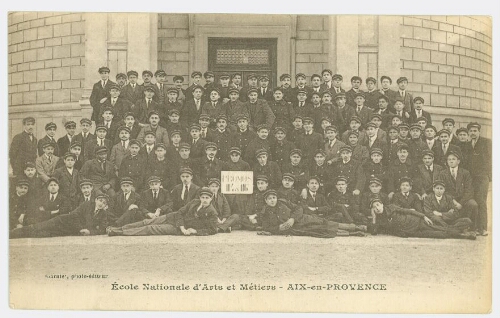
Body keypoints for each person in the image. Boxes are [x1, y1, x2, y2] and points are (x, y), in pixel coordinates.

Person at [106, 187, 218, 236]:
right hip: (173, 218)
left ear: (211, 199)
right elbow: (180, 212)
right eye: (202, 197)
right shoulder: (194, 202)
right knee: (147, 222)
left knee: (151, 228)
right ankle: (119, 228)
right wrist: (183, 226)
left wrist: (195, 231)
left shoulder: (212, 212)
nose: (204, 200)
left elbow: (212, 230)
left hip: (176, 228)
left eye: (207, 198)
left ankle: (119, 232)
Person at [260, 190, 367, 238]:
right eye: (269, 199)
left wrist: (292, 219)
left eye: (274, 198)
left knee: (326, 222)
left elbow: (298, 208)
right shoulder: (265, 213)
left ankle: (356, 227)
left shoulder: (283, 202)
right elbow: (267, 227)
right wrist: (278, 228)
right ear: (266, 201)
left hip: (303, 219)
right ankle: (354, 233)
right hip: (296, 229)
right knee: (322, 231)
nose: (272, 200)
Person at [11, 193, 110, 239]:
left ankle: (18, 234)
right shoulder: (87, 204)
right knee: (39, 227)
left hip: (68, 231)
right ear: (96, 200)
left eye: (104, 203)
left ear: (106, 205)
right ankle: (12, 233)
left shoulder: (103, 214)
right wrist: (81, 228)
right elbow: (75, 215)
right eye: (100, 200)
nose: (101, 203)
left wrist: (90, 232)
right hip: (63, 221)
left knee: (42, 234)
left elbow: (102, 229)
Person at [370, 198, 475, 240]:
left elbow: (408, 211)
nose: (377, 208)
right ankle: (461, 232)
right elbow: (374, 232)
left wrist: (423, 216)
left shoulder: (391, 207)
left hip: (417, 221)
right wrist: (374, 218)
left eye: (378, 205)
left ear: (382, 204)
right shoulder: (379, 220)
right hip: (413, 232)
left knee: (440, 228)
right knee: (439, 234)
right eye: (374, 207)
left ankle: (464, 235)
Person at [438, 151, 479, 233]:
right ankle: (458, 227)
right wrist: (452, 201)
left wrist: (461, 203)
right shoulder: (442, 173)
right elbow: (442, 189)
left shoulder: (465, 173)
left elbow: (469, 190)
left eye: (453, 159)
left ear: (458, 161)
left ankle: (472, 228)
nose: (451, 161)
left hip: (463, 199)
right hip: (449, 200)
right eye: (449, 159)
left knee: (473, 204)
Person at [466, 122, 491, 236]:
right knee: (473, 201)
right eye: (471, 131)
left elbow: (490, 160)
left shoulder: (486, 142)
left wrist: (488, 177)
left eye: (475, 131)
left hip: (482, 177)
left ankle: (483, 228)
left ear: (479, 131)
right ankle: (474, 227)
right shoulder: (467, 144)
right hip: (471, 178)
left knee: (481, 201)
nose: (473, 133)